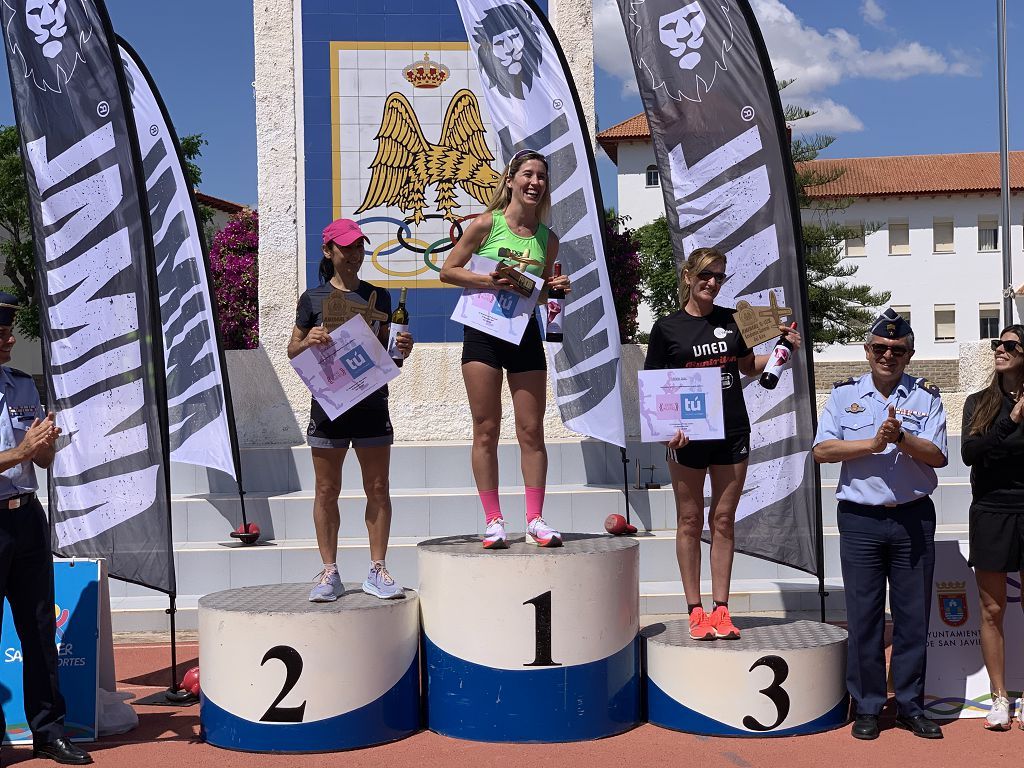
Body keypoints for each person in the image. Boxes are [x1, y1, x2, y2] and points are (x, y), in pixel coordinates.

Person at [643, 247, 801, 641]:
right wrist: (667, 431)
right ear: (688, 277)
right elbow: (653, 391)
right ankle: (695, 609)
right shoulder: (666, 328)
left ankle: (722, 609)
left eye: (719, 276)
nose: (712, 282)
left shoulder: (733, 321)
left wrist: (784, 349)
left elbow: (746, 367)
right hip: (687, 438)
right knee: (690, 521)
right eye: (706, 275)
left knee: (724, 521)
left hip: (732, 432)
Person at [813, 308, 947, 741]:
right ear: (867, 350)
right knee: (864, 616)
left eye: (898, 350)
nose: (888, 355)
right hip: (860, 520)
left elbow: (939, 455)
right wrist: (872, 443)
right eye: (880, 348)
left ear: (910, 355)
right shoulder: (842, 396)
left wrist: (902, 439)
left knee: (912, 619)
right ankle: (868, 705)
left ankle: (910, 705)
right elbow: (822, 450)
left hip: (912, 518)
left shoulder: (926, 397)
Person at [440, 149, 571, 549]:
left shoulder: (548, 239)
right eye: (528, 175)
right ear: (511, 179)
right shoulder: (485, 223)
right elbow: (448, 270)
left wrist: (557, 290)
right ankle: (494, 520)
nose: (535, 183)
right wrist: (488, 282)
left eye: (542, 177)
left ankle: (535, 519)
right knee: (486, 428)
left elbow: (544, 290)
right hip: (482, 331)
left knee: (532, 429)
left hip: (523, 334)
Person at [288, 219, 414, 602]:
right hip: (329, 406)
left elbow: (388, 356)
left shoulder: (381, 298)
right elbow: (292, 351)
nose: (355, 254)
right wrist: (308, 339)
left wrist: (402, 349)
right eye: (347, 247)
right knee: (327, 490)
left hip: (372, 403)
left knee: (378, 487)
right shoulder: (311, 299)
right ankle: (330, 572)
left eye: (360, 247)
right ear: (329, 251)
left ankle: (377, 569)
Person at [0, 293, 91, 764]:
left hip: (27, 516)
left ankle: (48, 730)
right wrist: (21, 451)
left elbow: (43, 458)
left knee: (38, 630)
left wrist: (44, 446)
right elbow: (17, 453)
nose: (11, 338)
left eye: (9, 329)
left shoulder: (21, 385)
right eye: (1, 333)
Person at [961, 324, 1024, 731]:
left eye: (1010, 344)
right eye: (996, 343)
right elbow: (970, 453)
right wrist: (1011, 420)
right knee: (992, 610)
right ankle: (999, 697)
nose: (999, 349)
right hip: (990, 512)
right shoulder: (979, 403)